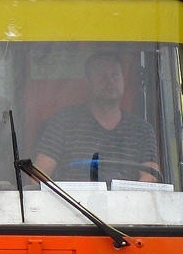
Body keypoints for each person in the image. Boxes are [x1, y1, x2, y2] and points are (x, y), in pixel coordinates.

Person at [31, 50, 159, 184]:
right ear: (88, 83)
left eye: (115, 74)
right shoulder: (63, 122)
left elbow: (150, 177)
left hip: (127, 203)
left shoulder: (141, 130)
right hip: (71, 203)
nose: (110, 81)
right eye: (101, 75)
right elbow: (39, 176)